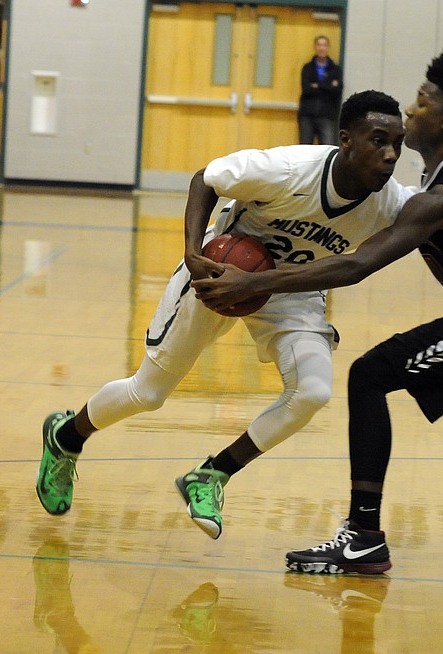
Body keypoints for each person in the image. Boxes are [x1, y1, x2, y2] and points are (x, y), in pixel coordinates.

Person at [194, 51, 443, 574]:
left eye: (422, 103)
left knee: (370, 375)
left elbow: (358, 264)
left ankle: (363, 536)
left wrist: (256, 283)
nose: (410, 111)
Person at [35, 90, 413, 540]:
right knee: (149, 392)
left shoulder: (392, 203)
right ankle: (66, 437)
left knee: (312, 391)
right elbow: (206, 179)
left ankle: (212, 475)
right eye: (378, 141)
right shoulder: (288, 168)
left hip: (291, 290)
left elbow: (441, 211)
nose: (391, 156)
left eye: (398, 144)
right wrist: (194, 254)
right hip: (223, 273)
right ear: (346, 139)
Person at [298, 35, 342, 145]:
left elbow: (337, 91)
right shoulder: (307, 68)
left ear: (328, 48)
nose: (321, 48)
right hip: (307, 116)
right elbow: (306, 89)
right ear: (315, 47)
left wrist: (317, 85)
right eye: (319, 45)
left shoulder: (335, 69)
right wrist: (328, 86)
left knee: (327, 149)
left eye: (324, 45)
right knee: (305, 150)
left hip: (327, 115)